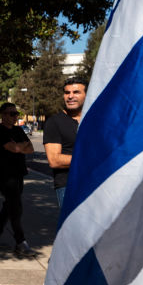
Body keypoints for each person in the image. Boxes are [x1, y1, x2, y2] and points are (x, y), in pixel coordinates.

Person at [0, 102, 36, 257]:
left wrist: (19, 146)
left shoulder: (18, 130)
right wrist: (20, 147)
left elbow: (31, 148)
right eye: (11, 113)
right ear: (3, 115)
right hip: (6, 175)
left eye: (16, 114)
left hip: (19, 173)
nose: (15, 116)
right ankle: (21, 242)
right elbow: (13, 148)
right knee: (15, 208)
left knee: (9, 205)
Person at [43, 77, 87, 208]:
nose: (70, 96)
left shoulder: (95, 119)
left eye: (76, 92)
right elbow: (54, 160)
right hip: (68, 186)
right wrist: (90, 160)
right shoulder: (54, 122)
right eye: (67, 93)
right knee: (75, 228)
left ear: (87, 95)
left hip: (96, 182)